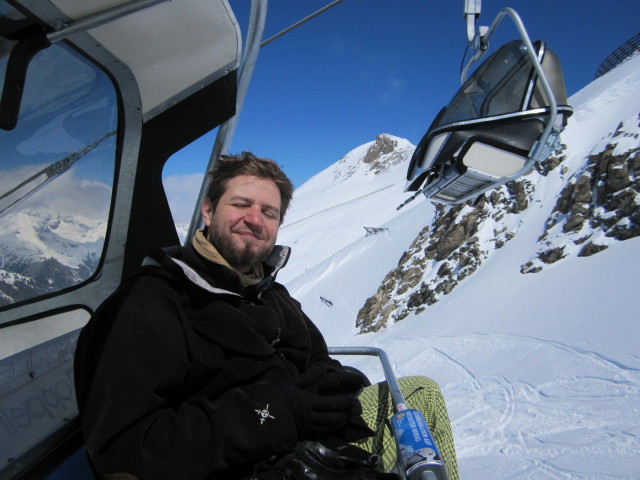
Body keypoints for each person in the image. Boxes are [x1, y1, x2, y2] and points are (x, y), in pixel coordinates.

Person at [74, 152, 458, 480]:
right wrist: (274, 412)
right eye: (241, 205)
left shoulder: (271, 295)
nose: (255, 220)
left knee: (419, 394)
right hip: (240, 466)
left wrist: (337, 387)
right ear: (208, 210)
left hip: (309, 447)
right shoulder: (151, 304)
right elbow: (124, 450)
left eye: (269, 213)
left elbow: (318, 360)